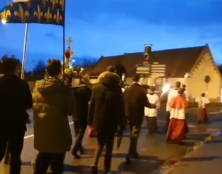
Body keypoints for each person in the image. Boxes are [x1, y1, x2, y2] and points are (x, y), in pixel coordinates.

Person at [32, 59, 74, 174]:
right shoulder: (63, 89)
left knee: (42, 161)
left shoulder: (37, 87)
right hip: (58, 132)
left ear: (47, 70)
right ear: (60, 71)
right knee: (57, 164)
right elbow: (71, 110)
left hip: (42, 131)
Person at [88, 67, 125, 174]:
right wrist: (121, 124)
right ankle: (107, 170)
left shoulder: (97, 87)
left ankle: (94, 163)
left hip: (99, 121)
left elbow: (92, 105)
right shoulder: (117, 89)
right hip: (111, 122)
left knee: (100, 144)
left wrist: (90, 122)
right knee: (109, 147)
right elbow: (120, 108)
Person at [0, 57, 32, 174]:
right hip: (17, 124)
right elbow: (29, 104)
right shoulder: (22, 84)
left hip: (1, 123)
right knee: (15, 155)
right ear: (15, 69)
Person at [124, 74, 156, 164]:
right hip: (137, 116)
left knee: (132, 133)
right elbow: (146, 103)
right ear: (139, 80)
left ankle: (133, 152)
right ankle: (129, 154)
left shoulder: (127, 90)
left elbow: (123, 102)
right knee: (135, 134)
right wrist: (152, 106)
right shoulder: (141, 91)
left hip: (128, 115)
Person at [71, 74, 92, 159]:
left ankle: (80, 147)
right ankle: (75, 149)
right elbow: (90, 100)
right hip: (83, 112)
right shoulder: (87, 90)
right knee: (81, 132)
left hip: (75, 112)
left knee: (77, 131)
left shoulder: (74, 90)